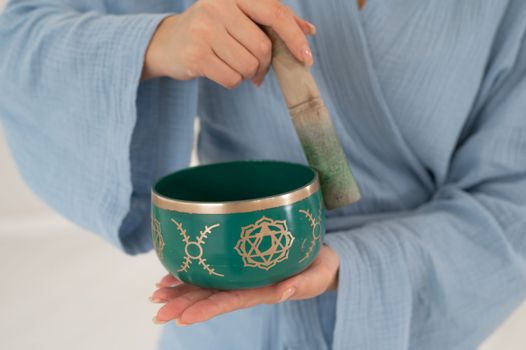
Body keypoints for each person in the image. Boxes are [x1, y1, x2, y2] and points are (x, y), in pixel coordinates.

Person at [1, 0, 525, 349]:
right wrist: (157, 41)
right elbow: (16, 39)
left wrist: (356, 264)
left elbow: (514, 197)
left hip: (408, 307)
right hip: (225, 307)